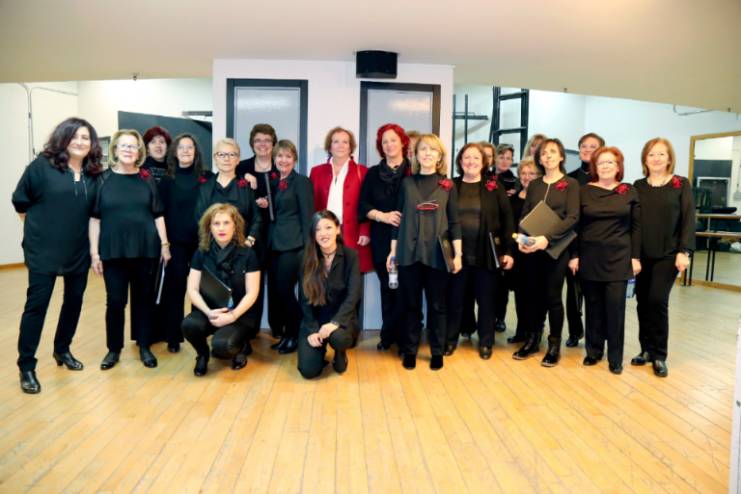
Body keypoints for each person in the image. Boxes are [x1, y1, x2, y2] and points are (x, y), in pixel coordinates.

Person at [11, 117, 103, 394]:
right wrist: (41, 228)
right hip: (43, 250)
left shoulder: (93, 173)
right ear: (63, 138)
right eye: (75, 136)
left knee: (73, 302)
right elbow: (20, 201)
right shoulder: (42, 166)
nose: (80, 142)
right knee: (37, 307)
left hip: (78, 250)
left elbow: (94, 214)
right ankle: (26, 366)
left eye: (86, 138)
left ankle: (62, 349)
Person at [89, 129, 171, 370]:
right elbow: (95, 219)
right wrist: (94, 253)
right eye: (123, 145)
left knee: (144, 300)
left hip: (146, 250)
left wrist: (165, 245)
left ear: (139, 151)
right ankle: (114, 349)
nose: (128, 150)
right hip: (113, 251)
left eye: (133, 146)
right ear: (115, 149)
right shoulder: (102, 180)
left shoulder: (146, 179)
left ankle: (144, 346)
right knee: (115, 301)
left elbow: (158, 214)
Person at [388, 133, 462, 371]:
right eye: (423, 149)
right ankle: (410, 350)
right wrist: (392, 252)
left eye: (433, 150)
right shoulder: (406, 184)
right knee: (411, 305)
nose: (428, 153)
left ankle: (437, 351)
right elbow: (397, 220)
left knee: (437, 305)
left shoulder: (448, 186)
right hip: (409, 252)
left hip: (437, 255)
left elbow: (455, 222)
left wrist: (458, 255)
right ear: (416, 155)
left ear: (440, 156)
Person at [569, 146, 641, 374]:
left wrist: (635, 257)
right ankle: (593, 351)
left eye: (611, 162)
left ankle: (615, 357)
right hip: (590, 257)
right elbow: (576, 226)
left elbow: (637, 228)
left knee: (615, 310)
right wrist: (574, 255)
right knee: (593, 307)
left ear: (618, 167)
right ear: (595, 167)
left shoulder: (628, 191)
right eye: (601, 163)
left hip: (619, 258)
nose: (606, 166)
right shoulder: (584, 191)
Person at [512, 138, 579, 367]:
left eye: (552, 152)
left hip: (556, 250)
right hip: (532, 249)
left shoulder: (571, 184)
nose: (548, 156)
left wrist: (546, 238)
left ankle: (554, 345)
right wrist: (522, 239)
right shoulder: (535, 184)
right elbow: (526, 213)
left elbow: (572, 217)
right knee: (532, 295)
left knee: (552, 298)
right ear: (539, 159)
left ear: (561, 156)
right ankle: (532, 340)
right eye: (543, 153)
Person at [632, 138, 695, 377]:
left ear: (669, 158)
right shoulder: (638, 186)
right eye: (651, 154)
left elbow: (688, 218)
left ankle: (659, 355)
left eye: (661, 154)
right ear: (645, 159)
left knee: (657, 300)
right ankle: (645, 349)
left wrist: (684, 251)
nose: (656, 158)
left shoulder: (680, 184)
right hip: (642, 255)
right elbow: (634, 223)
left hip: (669, 254)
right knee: (642, 302)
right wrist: (633, 255)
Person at [446, 143, 514, 359]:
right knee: (455, 299)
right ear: (460, 161)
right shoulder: (451, 186)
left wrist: (508, 251)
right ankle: (450, 340)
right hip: (457, 255)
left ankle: (486, 341)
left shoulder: (494, 187)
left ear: (484, 162)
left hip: (486, 253)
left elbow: (508, 220)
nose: (471, 162)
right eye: (467, 157)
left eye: (476, 158)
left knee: (486, 301)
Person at [195, 138, 262, 350]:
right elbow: (200, 218)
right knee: (212, 294)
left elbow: (257, 217)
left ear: (238, 159)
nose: (227, 159)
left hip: (240, 253)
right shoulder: (206, 186)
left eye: (231, 154)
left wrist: (249, 240)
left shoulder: (245, 186)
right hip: (213, 252)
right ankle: (214, 332)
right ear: (215, 158)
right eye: (222, 154)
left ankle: (242, 337)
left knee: (243, 294)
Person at [181, 203, 261, 375]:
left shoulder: (248, 254)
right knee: (189, 325)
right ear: (209, 227)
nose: (221, 228)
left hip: (239, 314)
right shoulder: (201, 252)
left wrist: (233, 315)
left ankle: (240, 347)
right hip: (210, 311)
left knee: (223, 346)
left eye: (226, 223)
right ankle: (202, 355)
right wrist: (208, 312)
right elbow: (192, 289)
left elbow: (252, 292)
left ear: (235, 226)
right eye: (216, 223)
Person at [157, 133, 212, 353]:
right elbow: (159, 213)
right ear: (175, 152)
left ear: (196, 151)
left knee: (201, 290)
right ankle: (173, 336)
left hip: (202, 244)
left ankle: (198, 334)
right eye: (181, 147)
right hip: (176, 244)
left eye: (190, 147)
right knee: (175, 289)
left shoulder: (207, 177)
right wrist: (164, 244)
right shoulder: (167, 180)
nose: (186, 151)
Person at [358, 123, 411, 351]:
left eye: (393, 140)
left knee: (405, 289)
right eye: (384, 141)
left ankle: (405, 337)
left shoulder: (413, 171)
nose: (389, 145)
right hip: (381, 239)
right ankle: (387, 334)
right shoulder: (372, 173)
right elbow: (362, 206)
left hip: (409, 240)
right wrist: (383, 216)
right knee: (387, 287)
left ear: (402, 142)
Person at [297, 210, 361, 379]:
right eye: (317, 229)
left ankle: (340, 352)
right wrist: (312, 329)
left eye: (328, 227)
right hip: (315, 319)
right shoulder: (305, 258)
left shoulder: (351, 256)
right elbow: (304, 299)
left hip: (341, 319)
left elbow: (353, 295)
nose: (323, 233)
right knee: (308, 371)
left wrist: (335, 322)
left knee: (339, 338)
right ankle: (320, 352)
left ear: (338, 229)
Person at [266, 140, 314, 354]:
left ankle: (294, 335)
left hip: (294, 246)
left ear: (294, 159)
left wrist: (308, 249)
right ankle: (286, 334)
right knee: (278, 292)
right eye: (279, 156)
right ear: (274, 159)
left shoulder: (302, 182)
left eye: (287, 156)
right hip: (275, 245)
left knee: (285, 291)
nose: (283, 160)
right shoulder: (274, 182)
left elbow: (307, 216)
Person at [310, 127, 372, 274]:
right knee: (325, 276)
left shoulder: (362, 171)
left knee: (352, 276)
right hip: (325, 232)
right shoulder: (316, 171)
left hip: (352, 232)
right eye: (336, 141)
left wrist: (365, 230)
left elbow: (367, 203)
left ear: (351, 147)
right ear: (329, 146)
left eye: (345, 142)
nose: (340, 145)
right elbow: (312, 204)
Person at [564, 132, 606, 348]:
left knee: (596, 294)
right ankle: (574, 331)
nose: (588, 150)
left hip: (599, 244)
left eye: (593, 146)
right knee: (573, 292)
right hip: (573, 241)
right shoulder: (569, 179)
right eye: (584, 146)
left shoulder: (606, 179)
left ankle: (596, 335)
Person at [237, 124, 278, 337]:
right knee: (252, 283)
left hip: (276, 233)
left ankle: (278, 328)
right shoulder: (242, 168)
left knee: (277, 283)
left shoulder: (281, 166)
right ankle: (250, 329)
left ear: (273, 143)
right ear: (252, 144)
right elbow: (234, 198)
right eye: (258, 140)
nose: (263, 144)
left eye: (267, 140)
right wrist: (251, 195)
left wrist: (271, 203)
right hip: (251, 234)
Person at [505, 158, 542, 344]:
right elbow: (509, 227)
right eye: (524, 173)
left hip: (537, 254)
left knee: (534, 295)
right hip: (517, 253)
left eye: (532, 174)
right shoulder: (511, 200)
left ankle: (534, 333)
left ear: (539, 176)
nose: (527, 177)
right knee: (520, 294)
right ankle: (521, 331)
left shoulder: (542, 200)